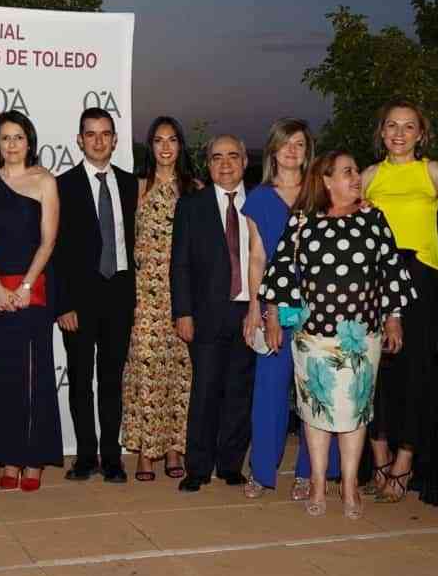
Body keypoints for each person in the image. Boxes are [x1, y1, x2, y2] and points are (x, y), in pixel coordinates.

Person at [259, 152, 412, 517]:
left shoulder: (373, 218)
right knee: (316, 412)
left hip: (360, 338)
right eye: (348, 171)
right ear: (327, 181)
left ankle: (348, 486)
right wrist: (275, 318)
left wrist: (393, 318)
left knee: (355, 412)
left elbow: (390, 269)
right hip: (313, 338)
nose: (356, 176)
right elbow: (280, 269)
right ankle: (315, 483)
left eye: (356, 170)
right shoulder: (302, 221)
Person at [361, 98, 438, 507]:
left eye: (408, 126)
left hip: (422, 282)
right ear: (381, 132)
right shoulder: (367, 176)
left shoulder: (435, 173)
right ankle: (379, 455)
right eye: (391, 126)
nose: (399, 134)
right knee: (376, 374)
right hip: (375, 280)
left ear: (421, 133)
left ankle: (405, 461)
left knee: (417, 375)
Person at [243, 118, 341, 499]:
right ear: (273, 150)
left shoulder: (321, 194)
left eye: (299, 144)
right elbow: (256, 258)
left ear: (307, 151)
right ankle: (262, 472)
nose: (292, 150)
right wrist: (257, 308)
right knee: (269, 389)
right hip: (276, 306)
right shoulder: (259, 198)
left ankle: (311, 472)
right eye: (286, 143)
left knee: (315, 390)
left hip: (319, 307)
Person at [0, 111, 62, 490]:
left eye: (18, 137)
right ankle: (10, 456)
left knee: (34, 374)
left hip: (33, 290)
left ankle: (34, 459)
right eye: (5, 138)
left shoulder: (45, 181)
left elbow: (49, 241)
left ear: (30, 141)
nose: (11, 145)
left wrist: (25, 286)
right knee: (3, 375)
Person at [52, 107, 137, 483]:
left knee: (111, 380)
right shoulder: (62, 185)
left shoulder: (132, 184)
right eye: (91, 134)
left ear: (115, 139)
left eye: (105, 134)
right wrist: (63, 303)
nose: (99, 141)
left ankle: (112, 457)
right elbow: (53, 249)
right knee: (81, 381)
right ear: (79, 140)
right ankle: (86, 456)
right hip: (78, 300)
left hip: (119, 293)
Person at [170, 135, 255, 491]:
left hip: (251, 314)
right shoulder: (191, 206)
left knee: (240, 391)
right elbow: (181, 264)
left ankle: (231, 464)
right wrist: (183, 312)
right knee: (205, 391)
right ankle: (199, 468)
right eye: (217, 157)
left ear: (245, 161)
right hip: (206, 314)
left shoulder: (262, 203)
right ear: (208, 164)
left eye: (232, 156)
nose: (225, 164)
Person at [120, 116, 196, 481]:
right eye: (158, 141)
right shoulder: (138, 187)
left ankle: (174, 449)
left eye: (172, 140)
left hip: (183, 296)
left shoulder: (194, 188)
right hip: (144, 296)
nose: (165, 147)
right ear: (150, 147)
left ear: (181, 146)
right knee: (145, 372)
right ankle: (144, 453)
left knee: (181, 376)